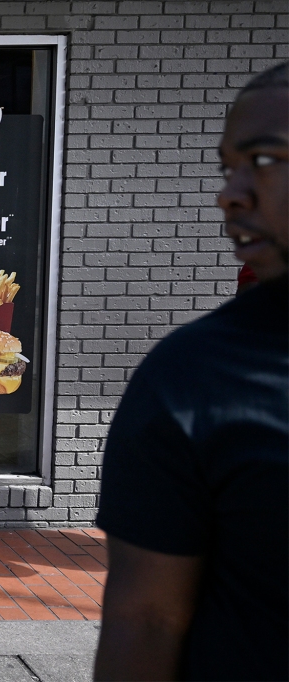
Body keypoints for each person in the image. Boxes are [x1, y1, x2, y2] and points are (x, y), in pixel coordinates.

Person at [94, 63, 288, 681]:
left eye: (261, 160)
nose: (230, 193)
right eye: (226, 166)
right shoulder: (192, 378)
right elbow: (145, 619)